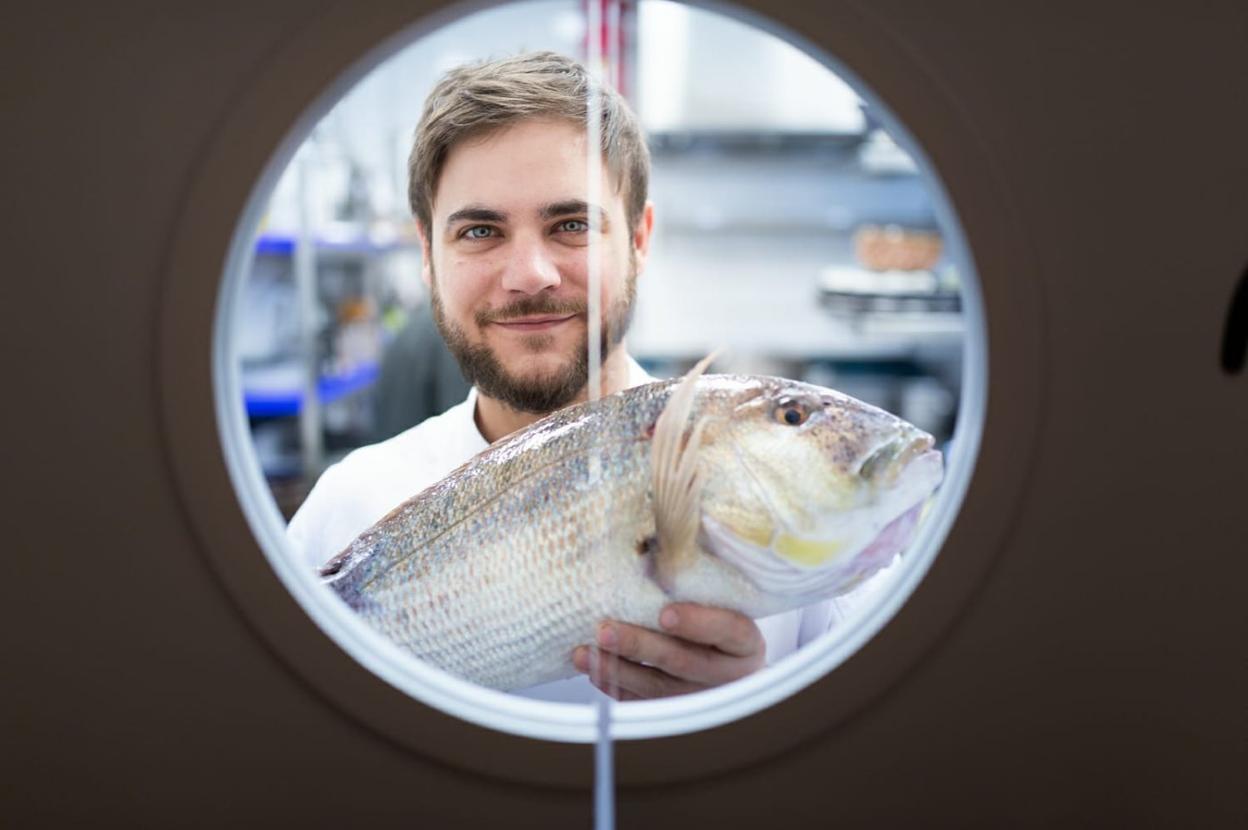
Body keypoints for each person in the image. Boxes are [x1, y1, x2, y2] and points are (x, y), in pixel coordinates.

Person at [287, 51, 840, 703]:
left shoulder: (803, 511)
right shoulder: (346, 511)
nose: (530, 274)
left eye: (571, 224)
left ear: (639, 238)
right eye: (480, 230)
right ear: (428, 256)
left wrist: (755, 715)